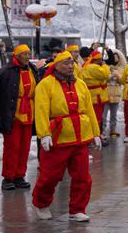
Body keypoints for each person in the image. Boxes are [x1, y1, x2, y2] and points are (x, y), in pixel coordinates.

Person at [33, 50, 101, 221]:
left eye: (72, 63)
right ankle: (41, 203)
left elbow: (89, 109)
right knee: (50, 177)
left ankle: (77, 209)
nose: (71, 66)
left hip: (80, 136)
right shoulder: (45, 84)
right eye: (66, 63)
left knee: (83, 177)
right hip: (58, 137)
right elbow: (40, 110)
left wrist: (95, 133)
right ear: (57, 65)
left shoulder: (80, 84)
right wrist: (44, 134)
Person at [0, 44, 38, 190]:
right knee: (12, 147)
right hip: (13, 114)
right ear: (16, 56)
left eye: (28, 53)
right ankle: (8, 177)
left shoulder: (32, 69)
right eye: (24, 54)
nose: (27, 56)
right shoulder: (6, 72)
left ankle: (20, 175)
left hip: (29, 113)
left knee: (25, 147)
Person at [80, 49, 111, 138]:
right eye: (101, 59)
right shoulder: (93, 67)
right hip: (96, 97)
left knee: (95, 117)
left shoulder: (87, 66)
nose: (102, 61)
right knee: (97, 117)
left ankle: (95, 134)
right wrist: (105, 66)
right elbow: (106, 74)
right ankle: (96, 135)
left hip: (93, 95)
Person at [104, 48, 124, 139]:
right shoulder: (105, 68)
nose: (115, 59)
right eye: (114, 57)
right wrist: (110, 76)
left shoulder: (120, 69)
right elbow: (103, 79)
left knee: (114, 115)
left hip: (116, 94)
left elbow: (122, 81)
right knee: (103, 115)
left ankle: (113, 130)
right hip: (106, 94)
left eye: (117, 57)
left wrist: (118, 77)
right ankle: (102, 130)